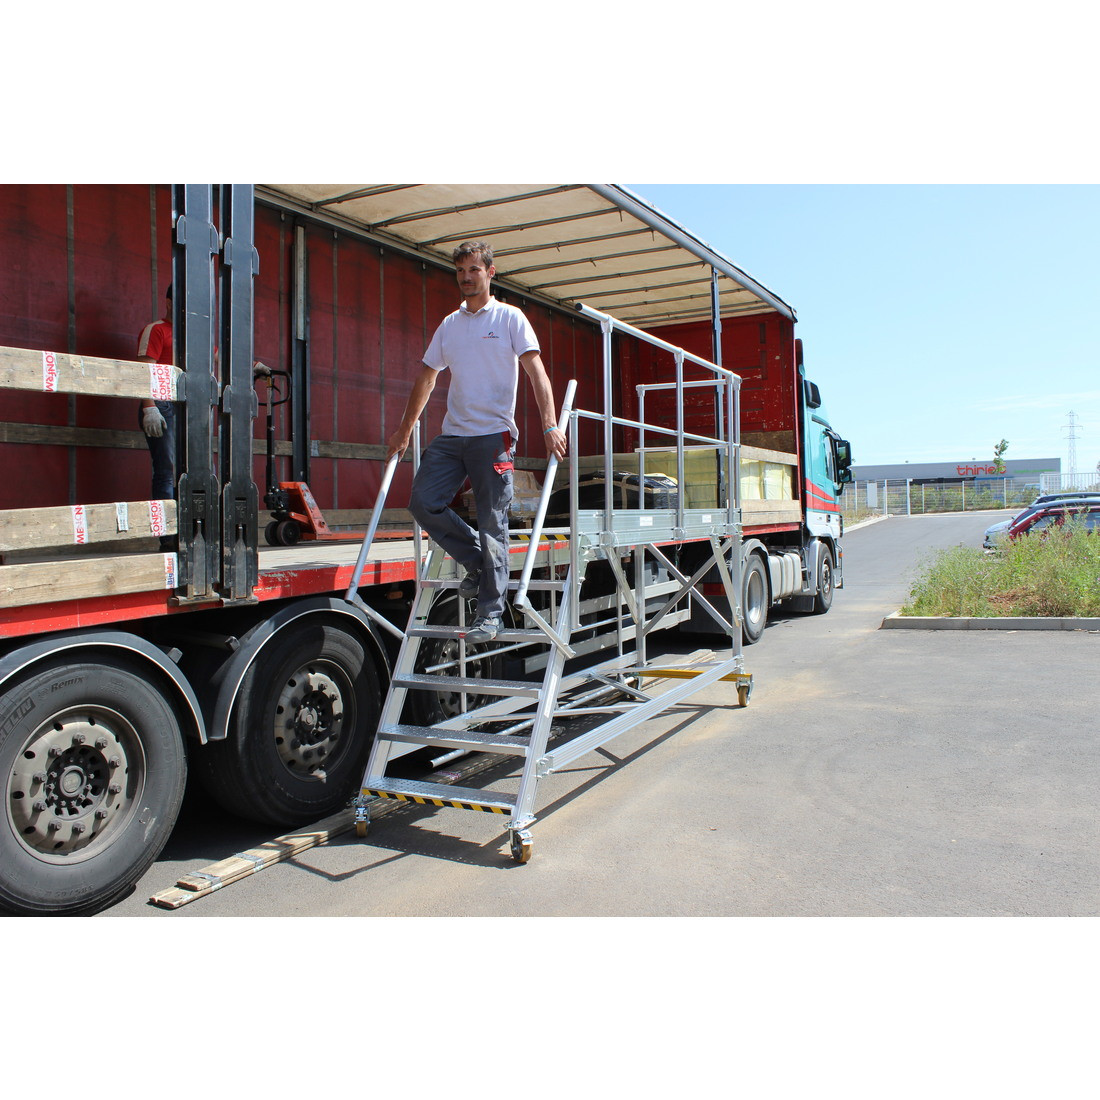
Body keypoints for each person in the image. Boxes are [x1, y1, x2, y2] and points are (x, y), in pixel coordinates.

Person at [387, 241, 568, 643]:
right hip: (453, 435)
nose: (467, 277)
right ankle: (476, 562)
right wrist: (404, 430)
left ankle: (490, 614)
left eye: (474, 269)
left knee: (493, 524)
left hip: (493, 438)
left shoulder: (510, 318)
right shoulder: (450, 325)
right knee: (423, 501)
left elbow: (537, 373)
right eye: (460, 271)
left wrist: (550, 424)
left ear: (490, 272)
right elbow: (426, 376)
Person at [136, 284, 176, 504]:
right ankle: (167, 536)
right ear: (169, 303)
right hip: (161, 405)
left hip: (185, 406)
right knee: (167, 470)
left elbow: (219, 356)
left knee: (197, 470)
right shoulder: (157, 330)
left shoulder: (195, 337)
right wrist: (149, 407)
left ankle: (188, 531)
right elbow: (144, 371)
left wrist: (253, 365)